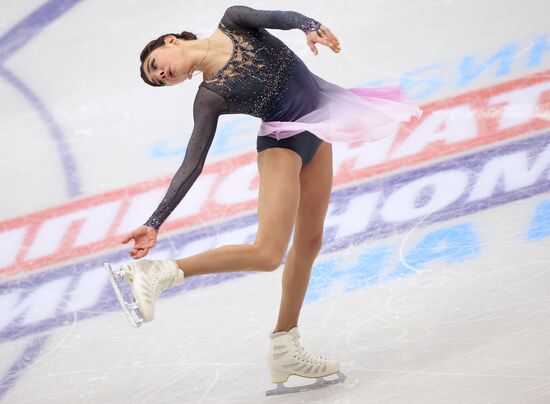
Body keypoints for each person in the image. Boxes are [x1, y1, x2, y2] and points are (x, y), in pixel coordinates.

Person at [115, 5, 422, 394]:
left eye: (156, 64)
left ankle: (284, 346)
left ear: (170, 41)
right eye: (158, 79)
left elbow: (282, 18)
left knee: (310, 242)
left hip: (316, 127)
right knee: (268, 253)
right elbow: (192, 163)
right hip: (282, 145)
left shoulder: (233, 20)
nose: (162, 74)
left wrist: (310, 27)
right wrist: (155, 221)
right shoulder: (209, 97)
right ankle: (158, 273)